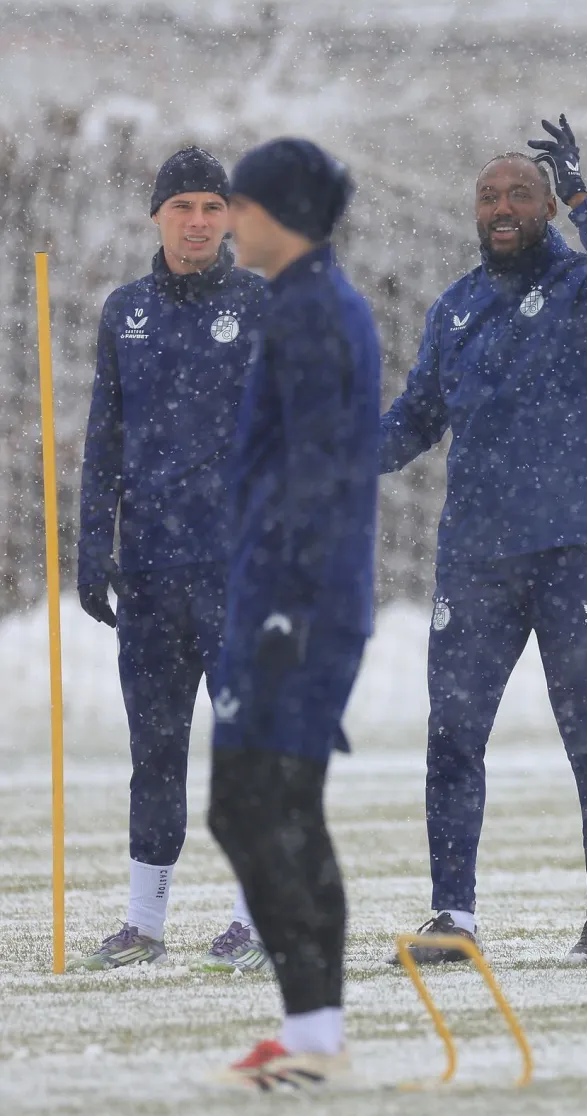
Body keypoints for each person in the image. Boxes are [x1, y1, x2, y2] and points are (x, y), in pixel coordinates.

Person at [382, 115, 587, 966]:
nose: (501, 206)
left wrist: (585, 198)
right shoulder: (455, 308)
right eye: (488, 196)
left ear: (545, 207)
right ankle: (453, 917)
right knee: (452, 733)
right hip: (476, 558)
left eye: (519, 194)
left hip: (576, 548)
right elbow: (416, 418)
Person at [207, 138, 380, 1092]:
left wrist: (290, 608)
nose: (228, 219)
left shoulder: (315, 311)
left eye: (238, 203)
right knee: (272, 809)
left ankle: (315, 1038)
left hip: (296, 606)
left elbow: (321, 474)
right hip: (284, 596)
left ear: (279, 213)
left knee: (253, 807)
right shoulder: (306, 302)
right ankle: (314, 1036)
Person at [72, 147, 269, 973]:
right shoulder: (126, 311)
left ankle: (254, 921)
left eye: (211, 207)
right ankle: (143, 924)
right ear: (156, 215)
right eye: (182, 205)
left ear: (229, 218)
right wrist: (93, 541)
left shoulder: (261, 305)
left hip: (238, 570)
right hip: (151, 573)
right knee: (154, 750)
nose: (196, 221)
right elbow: (105, 435)